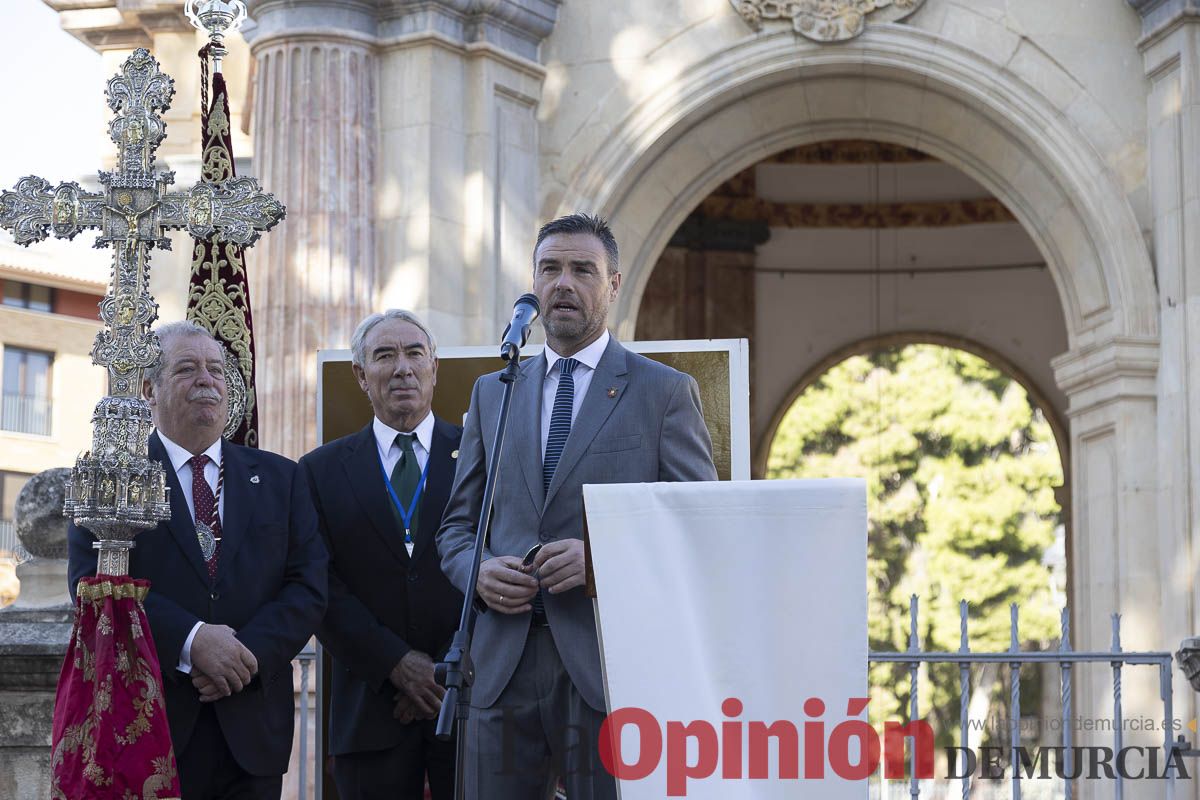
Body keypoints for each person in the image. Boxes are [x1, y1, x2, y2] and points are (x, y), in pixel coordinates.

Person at [437, 213, 718, 798]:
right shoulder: (495, 392)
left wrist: (602, 563)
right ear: (533, 285)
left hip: (607, 669)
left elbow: (699, 528)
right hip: (500, 669)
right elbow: (457, 530)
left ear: (613, 285)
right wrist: (478, 572)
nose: (563, 282)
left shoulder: (663, 392)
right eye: (550, 269)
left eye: (582, 269)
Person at [67, 321, 328, 800]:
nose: (207, 379)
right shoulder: (113, 476)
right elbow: (92, 581)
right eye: (187, 368)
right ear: (149, 389)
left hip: (252, 727)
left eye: (216, 370)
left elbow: (308, 586)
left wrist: (242, 656)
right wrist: (192, 642)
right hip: (149, 726)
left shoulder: (282, 478)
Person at [299, 310, 464, 799]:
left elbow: (500, 562)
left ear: (434, 366)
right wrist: (397, 664)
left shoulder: (481, 456)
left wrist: (441, 673)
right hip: (370, 715)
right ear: (360, 374)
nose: (402, 368)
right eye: (384, 355)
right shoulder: (320, 471)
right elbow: (317, 585)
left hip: (470, 710)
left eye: (415, 353)